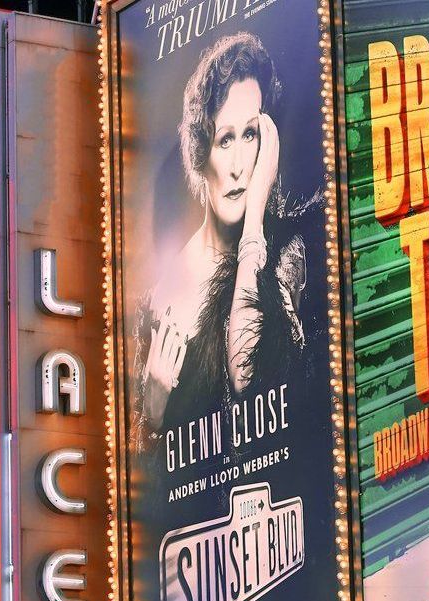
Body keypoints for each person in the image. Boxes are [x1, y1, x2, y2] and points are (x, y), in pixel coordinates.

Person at [132, 32, 314, 441]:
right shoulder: (160, 296)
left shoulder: (290, 251)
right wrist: (153, 414)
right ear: (202, 154)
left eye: (250, 135)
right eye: (224, 139)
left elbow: (246, 377)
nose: (236, 166)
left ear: (268, 142)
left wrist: (254, 221)